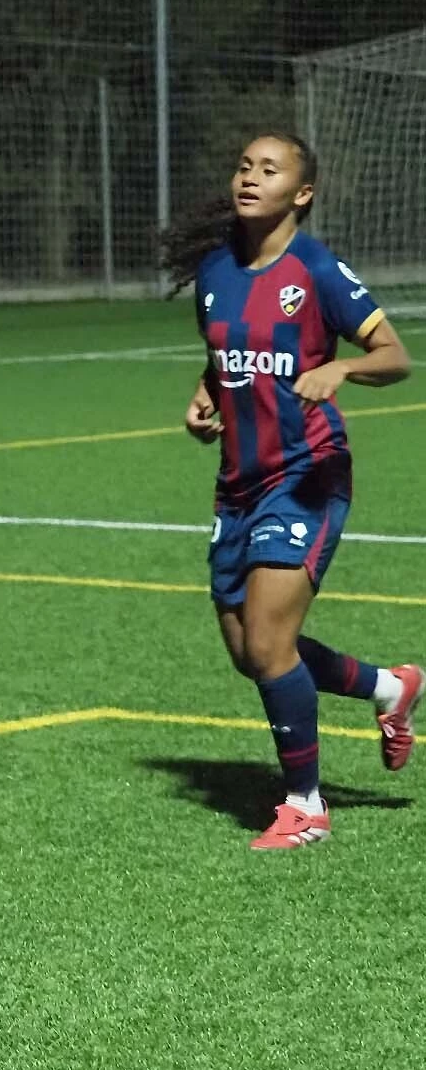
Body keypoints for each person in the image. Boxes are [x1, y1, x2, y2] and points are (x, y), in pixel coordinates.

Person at [163, 131, 420, 850]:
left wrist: (341, 371)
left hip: (306, 475)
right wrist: (204, 398)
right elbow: (223, 359)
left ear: (299, 194)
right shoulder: (215, 270)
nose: (250, 177)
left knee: (271, 641)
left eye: (269, 170)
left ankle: (304, 804)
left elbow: (394, 356)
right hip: (237, 484)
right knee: (250, 650)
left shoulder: (317, 270)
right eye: (244, 165)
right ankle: (388, 688)